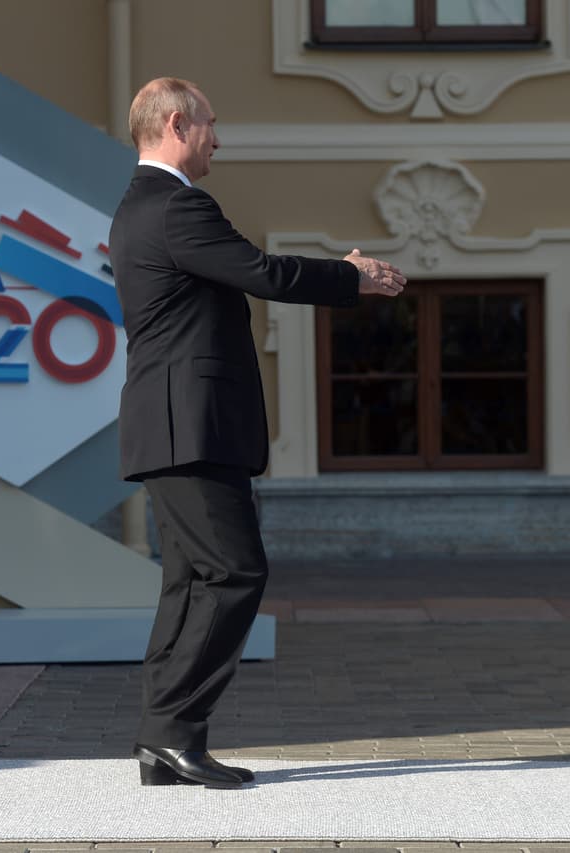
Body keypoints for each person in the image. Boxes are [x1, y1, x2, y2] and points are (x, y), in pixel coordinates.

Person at [109, 77, 407, 788]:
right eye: (212, 124)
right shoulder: (177, 206)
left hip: (176, 426)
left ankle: (166, 742)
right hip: (191, 427)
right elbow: (263, 272)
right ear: (178, 123)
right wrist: (351, 274)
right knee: (235, 572)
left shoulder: (141, 208)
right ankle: (171, 731)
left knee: (189, 584)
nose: (220, 138)